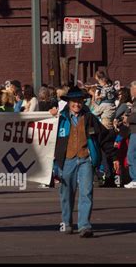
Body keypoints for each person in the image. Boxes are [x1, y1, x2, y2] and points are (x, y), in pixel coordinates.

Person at [50, 86, 118, 237]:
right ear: (68, 102)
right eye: (74, 101)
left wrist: (113, 156)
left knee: (86, 192)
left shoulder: (90, 118)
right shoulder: (60, 119)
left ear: (83, 102)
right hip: (66, 160)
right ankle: (67, 223)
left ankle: (84, 226)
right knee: (66, 193)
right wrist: (50, 116)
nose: (77, 104)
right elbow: (46, 138)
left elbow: (104, 138)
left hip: (85, 159)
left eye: (80, 101)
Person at [124, 81, 136, 188]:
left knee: (131, 154)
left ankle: (135, 178)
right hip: (133, 131)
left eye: (132, 89)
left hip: (135, 132)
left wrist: (128, 118)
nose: (131, 91)